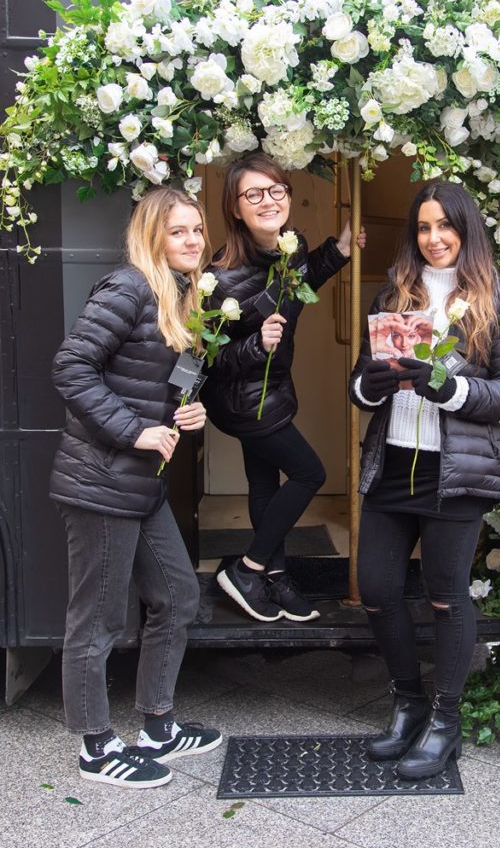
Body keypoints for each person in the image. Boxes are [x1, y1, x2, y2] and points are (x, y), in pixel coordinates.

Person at [349, 181, 500, 779]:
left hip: (456, 469)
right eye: (424, 227)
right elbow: (361, 380)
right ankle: (408, 704)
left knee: (447, 597)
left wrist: (451, 390)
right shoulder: (394, 293)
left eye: (445, 226)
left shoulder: (497, 299)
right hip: (392, 460)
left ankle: (445, 722)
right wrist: (368, 386)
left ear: (465, 230)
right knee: (377, 590)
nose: (434, 238)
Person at [49, 187, 223, 789]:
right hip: (101, 480)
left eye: (197, 230)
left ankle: (158, 727)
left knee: (177, 595)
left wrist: (188, 410)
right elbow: (71, 367)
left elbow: (161, 381)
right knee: (97, 619)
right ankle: (96, 748)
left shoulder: (180, 294)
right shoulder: (128, 289)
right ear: (152, 236)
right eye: (179, 231)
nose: (193, 241)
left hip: (139, 485)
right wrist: (134, 431)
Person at [202, 152, 365, 623]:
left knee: (263, 481)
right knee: (309, 473)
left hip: (270, 389)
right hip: (240, 400)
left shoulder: (291, 248)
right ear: (235, 208)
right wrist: (255, 345)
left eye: (277, 190)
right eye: (253, 194)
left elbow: (299, 282)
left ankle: (275, 579)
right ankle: (248, 568)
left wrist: (340, 249)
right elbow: (207, 359)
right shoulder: (219, 279)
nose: (268, 201)